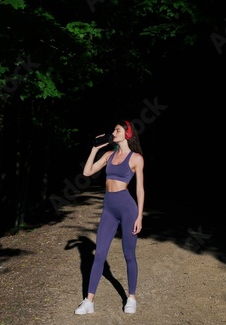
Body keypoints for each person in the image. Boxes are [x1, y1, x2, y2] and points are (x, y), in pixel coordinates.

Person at [74, 120, 145, 315]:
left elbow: (139, 189)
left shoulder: (136, 158)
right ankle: (89, 301)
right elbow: (87, 172)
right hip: (108, 208)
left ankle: (131, 298)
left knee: (129, 254)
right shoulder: (108, 155)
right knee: (99, 255)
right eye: (114, 129)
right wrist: (94, 149)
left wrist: (139, 216)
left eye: (117, 130)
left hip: (127, 208)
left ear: (127, 134)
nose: (113, 132)